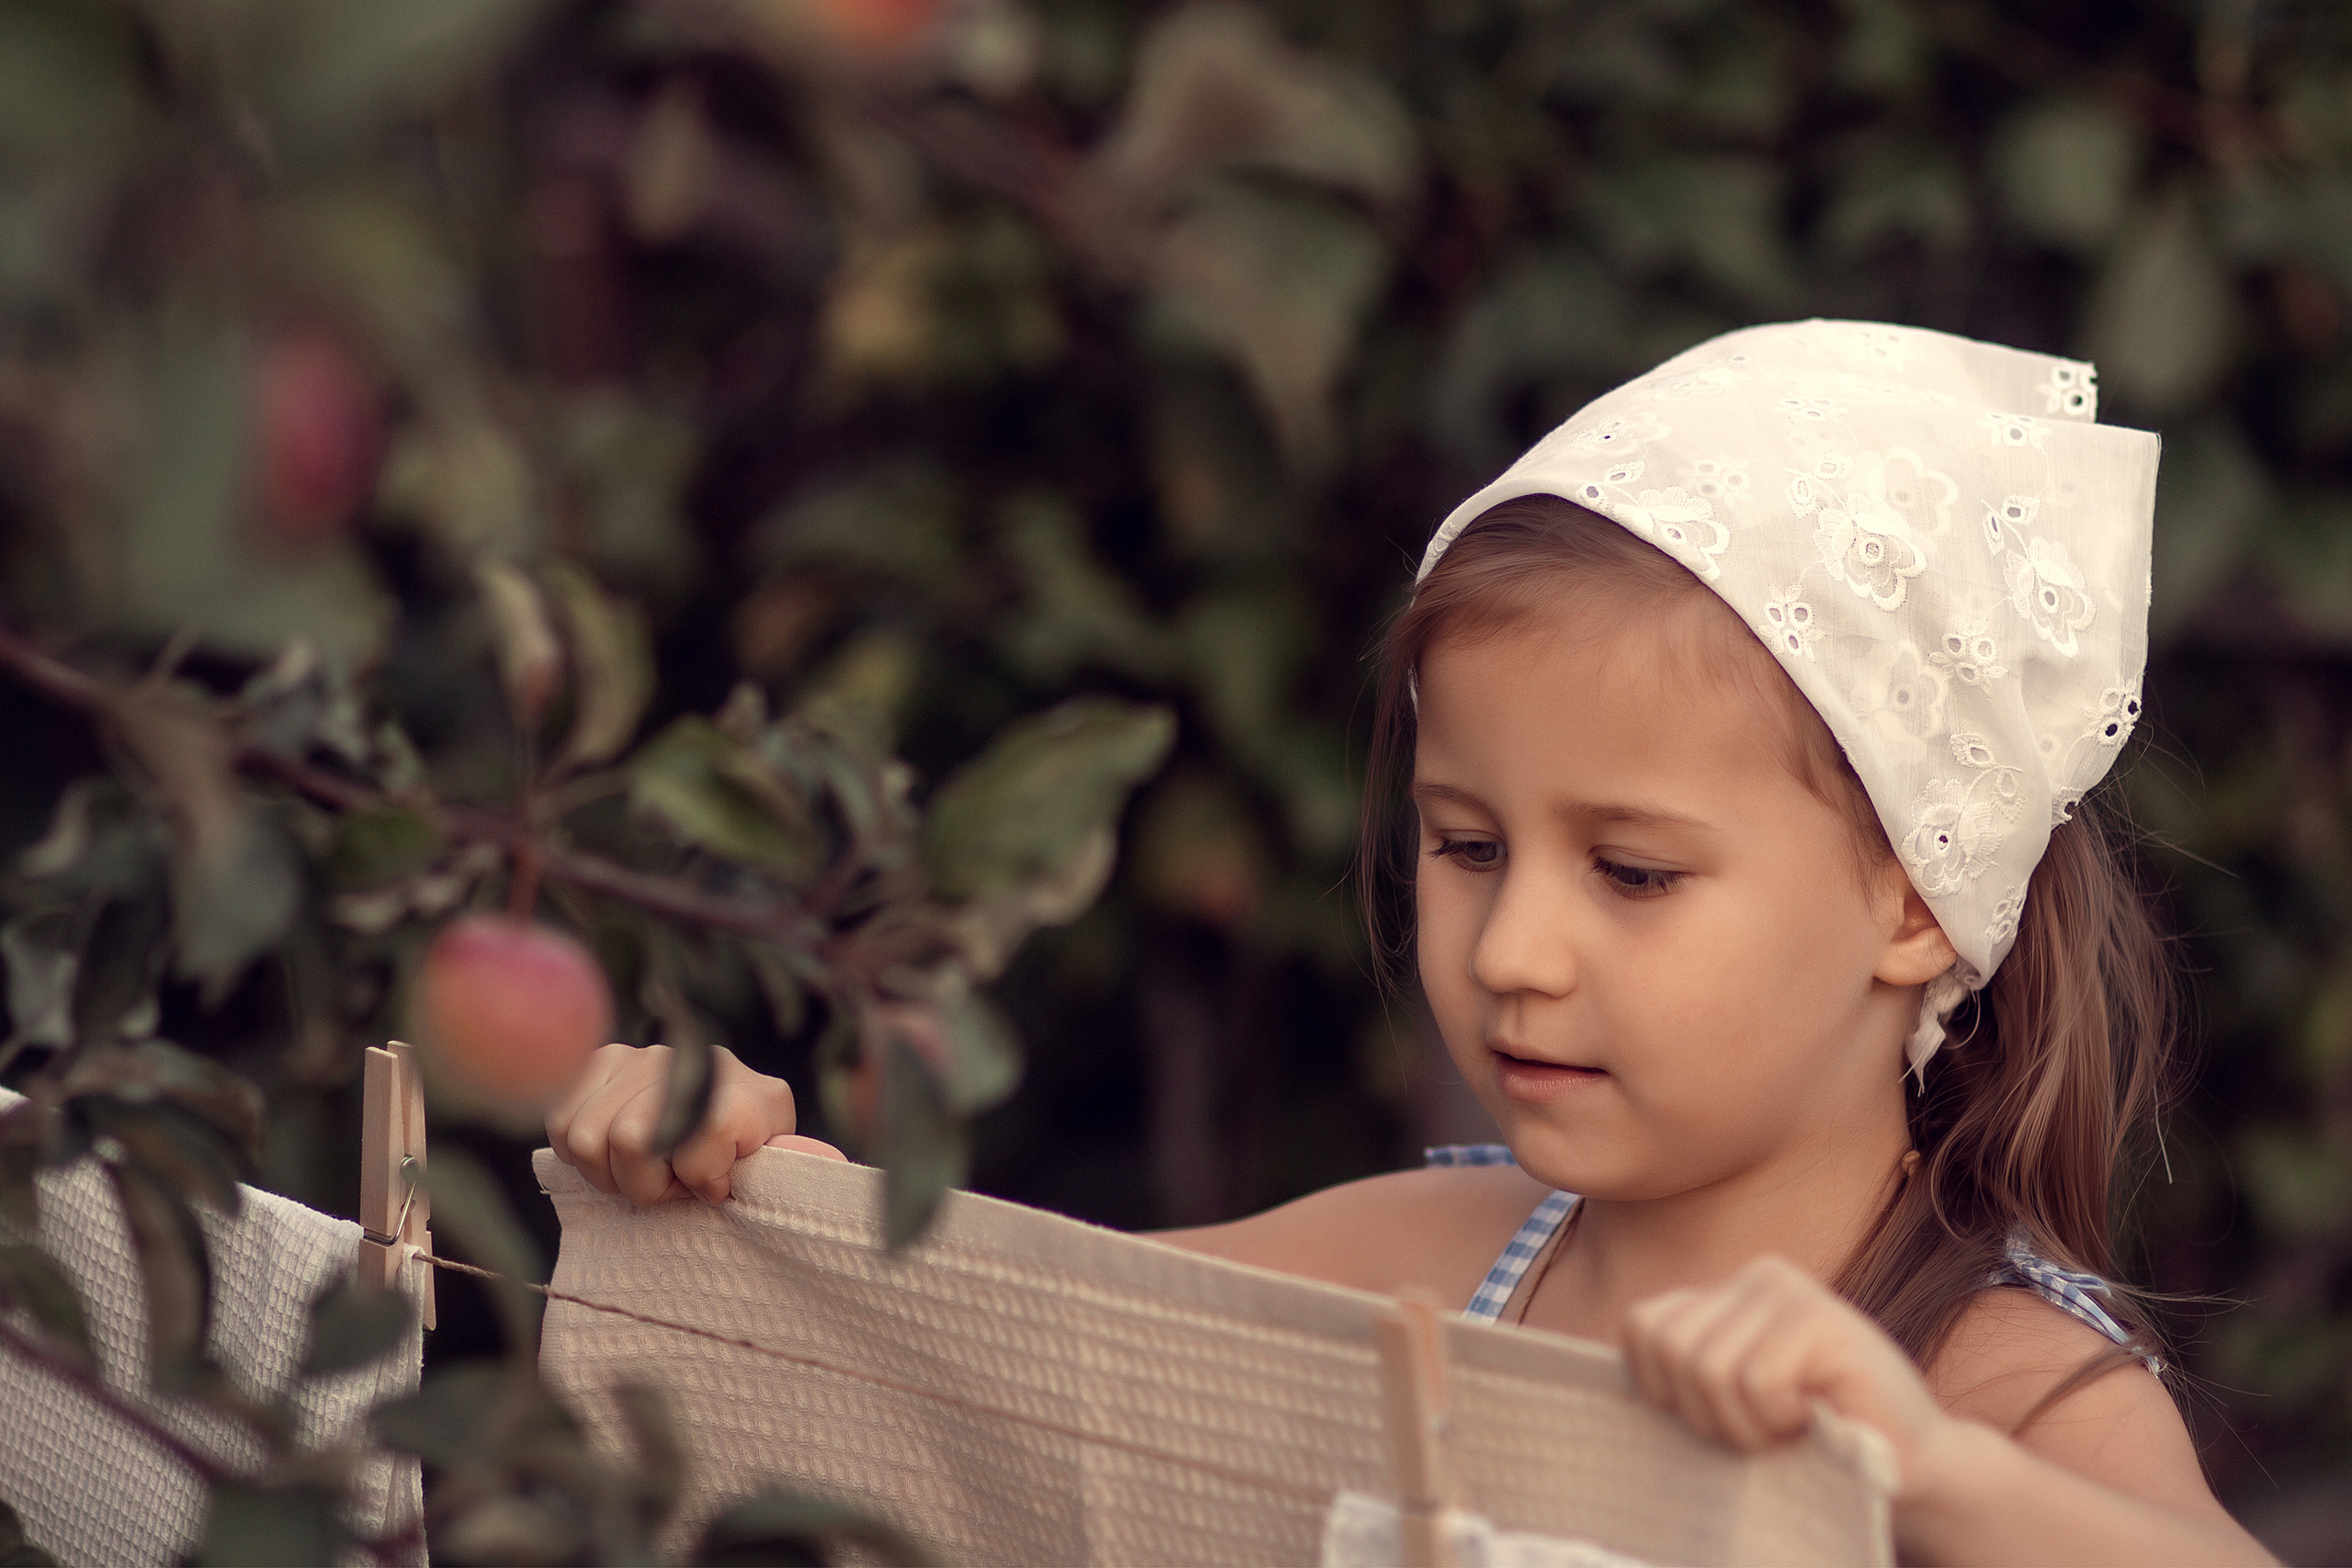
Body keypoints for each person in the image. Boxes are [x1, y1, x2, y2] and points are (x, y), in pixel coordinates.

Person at [547, 321, 2273, 1564]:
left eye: (1634, 873)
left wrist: (1930, 1481)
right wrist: (752, 1197)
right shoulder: (1429, 1262)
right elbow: (977, 1358)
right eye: (1465, 845)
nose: (1513, 948)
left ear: (1916, 896)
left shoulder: (2004, 1385)